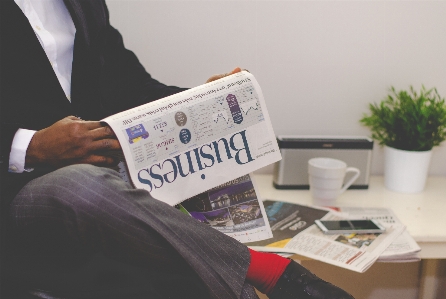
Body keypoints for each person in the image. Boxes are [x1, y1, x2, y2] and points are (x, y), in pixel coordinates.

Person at [0, 1, 355, 298]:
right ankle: (279, 275)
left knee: (197, 274)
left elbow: (129, 86)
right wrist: (30, 147)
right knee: (79, 185)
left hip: (113, 193)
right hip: (21, 194)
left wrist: (202, 102)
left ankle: (269, 278)